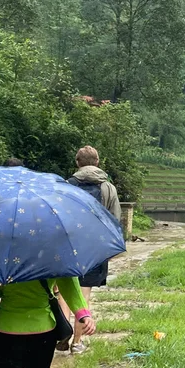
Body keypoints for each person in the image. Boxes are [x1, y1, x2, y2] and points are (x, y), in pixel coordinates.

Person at [64, 146, 121, 355]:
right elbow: (114, 219)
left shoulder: (67, 184)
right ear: (97, 162)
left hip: (69, 245)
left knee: (63, 291)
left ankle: (62, 335)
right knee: (83, 292)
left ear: (77, 162)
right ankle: (77, 343)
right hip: (94, 247)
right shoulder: (108, 188)